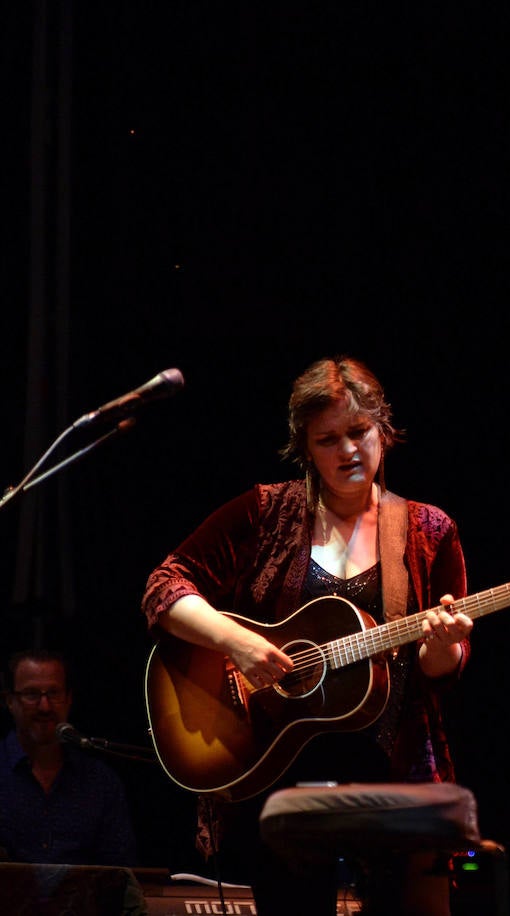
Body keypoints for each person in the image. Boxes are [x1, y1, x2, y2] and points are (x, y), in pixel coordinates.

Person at [141, 356, 473, 916]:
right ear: (305, 447)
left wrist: (442, 649)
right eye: (328, 439)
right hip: (280, 780)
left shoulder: (428, 530)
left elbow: (441, 673)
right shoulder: (267, 512)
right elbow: (164, 586)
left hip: (389, 782)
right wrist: (238, 642)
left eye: (359, 432)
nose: (348, 450)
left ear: (384, 431)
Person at [0, 648, 138, 866]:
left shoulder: (99, 781)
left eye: (54, 693)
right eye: (32, 694)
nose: (44, 706)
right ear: (9, 700)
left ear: (69, 699)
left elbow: (121, 873)